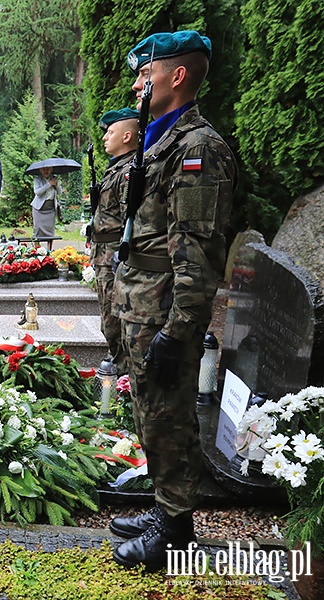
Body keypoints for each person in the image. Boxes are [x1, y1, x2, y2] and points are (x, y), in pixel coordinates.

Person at [110, 31, 236, 572]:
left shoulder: (196, 149)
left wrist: (178, 331)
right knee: (151, 413)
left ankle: (177, 533)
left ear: (176, 76)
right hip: (143, 303)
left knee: (170, 416)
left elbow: (197, 255)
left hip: (165, 310)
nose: (139, 84)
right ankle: (166, 510)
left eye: (147, 74)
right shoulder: (160, 142)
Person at [94, 108, 139, 374]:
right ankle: (121, 372)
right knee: (108, 321)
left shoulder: (129, 172)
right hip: (103, 255)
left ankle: (123, 377)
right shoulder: (115, 170)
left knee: (114, 323)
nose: (105, 138)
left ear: (127, 136)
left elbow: (128, 221)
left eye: (110, 132)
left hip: (114, 259)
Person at [31, 166, 63, 250]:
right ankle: (37, 250)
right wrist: (49, 184)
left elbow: (60, 192)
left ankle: (49, 250)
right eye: (44, 169)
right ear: (40, 170)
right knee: (37, 229)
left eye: (48, 169)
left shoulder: (54, 179)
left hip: (51, 209)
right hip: (39, 209)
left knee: (50, 230)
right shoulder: (37, 180)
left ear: (51, 170)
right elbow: (38, 192)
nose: (46, 171)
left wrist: (56, 184)